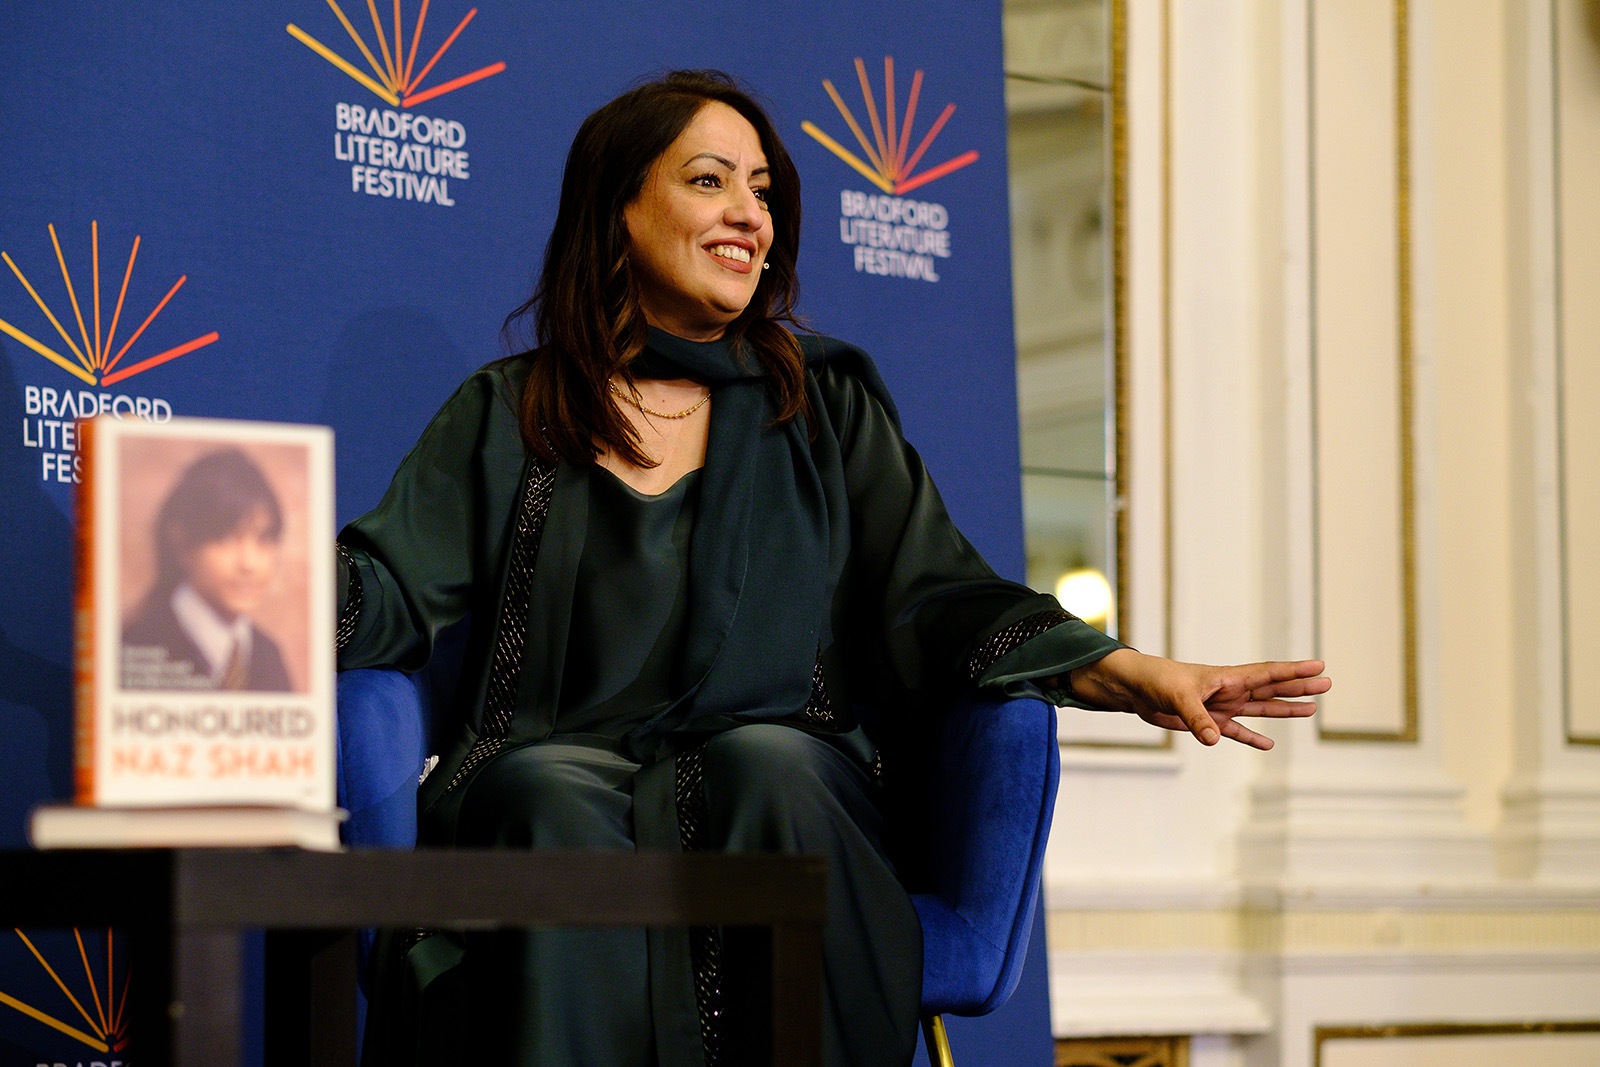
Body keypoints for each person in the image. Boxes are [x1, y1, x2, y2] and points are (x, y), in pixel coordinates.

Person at [334, 70, 1329, 1067]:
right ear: (619, 209)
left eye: (762, 190)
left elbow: (936, 593)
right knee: (539, 787)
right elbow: (388, 582)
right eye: (710, 180)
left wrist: (1128, 671)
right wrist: (243, 572)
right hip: (559, 769)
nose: (748, 216)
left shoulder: (822, 402)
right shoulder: (514, 410)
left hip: (783, 780)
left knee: (764, 761)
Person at [122, 447, 293, 693]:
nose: (249, 564)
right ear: (181, 542)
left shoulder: (268, 655)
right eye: (225, 539)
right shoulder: (139, 645)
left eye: (263, 539)